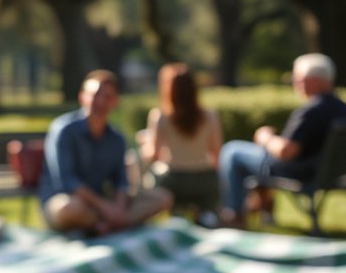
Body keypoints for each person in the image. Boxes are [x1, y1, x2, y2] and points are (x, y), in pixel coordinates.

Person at [217, 53, 346, 226]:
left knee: (232, 151)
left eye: (297, 79)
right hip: (331, 172)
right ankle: (262, 207)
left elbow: (286, 151)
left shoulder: (311, 111)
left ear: (311, 80)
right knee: (255, 154)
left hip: (303, 174)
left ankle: (234, 214)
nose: (295, 83)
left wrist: (265, 137)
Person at [39, 70, 173, 236]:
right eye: (95, 95)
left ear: (115, 102)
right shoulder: (63, 130)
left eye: (108, 96)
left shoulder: (116, 138)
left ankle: (106, 225)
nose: (100, 101)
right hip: (67, 201)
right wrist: (105, 207)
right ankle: (112, 224)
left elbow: (121, 182)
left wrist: (119, 207)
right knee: (69, 208)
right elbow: (68, 181)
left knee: (161, 197)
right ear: (82, 97)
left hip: (103, 203)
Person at [140, 63, 223, 217]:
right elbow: (216, 153)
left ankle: (176, 213)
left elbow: (153, 155)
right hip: (205, 180)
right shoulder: (210, 115)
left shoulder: (160, 116)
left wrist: (145, 143)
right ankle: (206, 214)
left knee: (149, 175)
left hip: (173, 181)